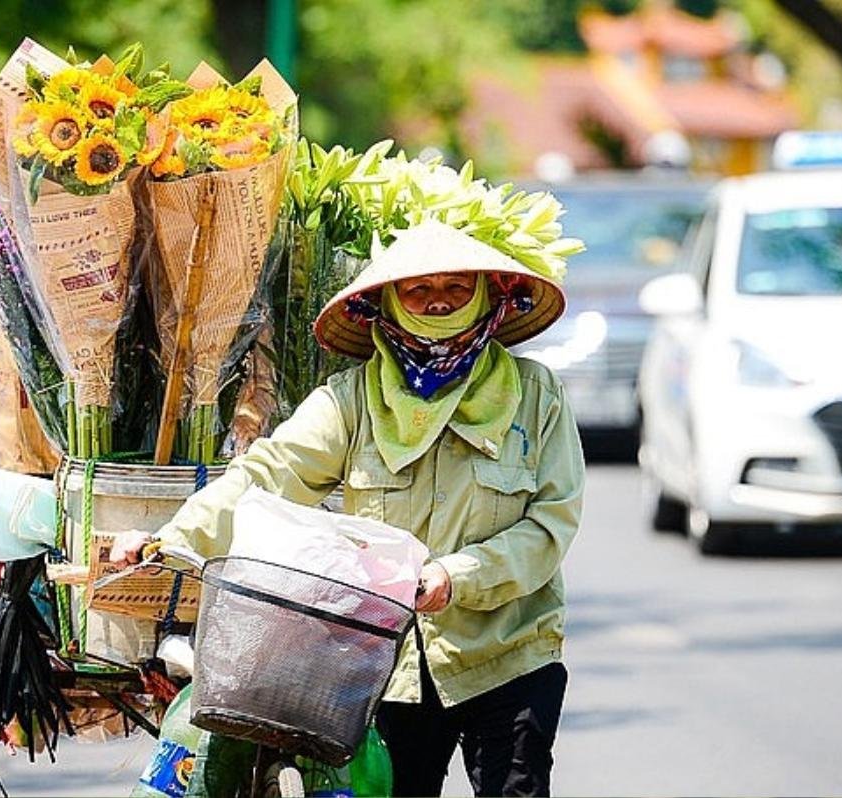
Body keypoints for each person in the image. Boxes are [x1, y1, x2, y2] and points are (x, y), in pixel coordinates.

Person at [113, 219, 585, 796]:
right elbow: (269, 476)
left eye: (456, 288)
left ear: (488, 295)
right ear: (389, 303)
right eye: (418, 290)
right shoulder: (351, 400)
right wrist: (175, 538)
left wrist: (455, 576)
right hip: (388, 667)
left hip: (510, 652)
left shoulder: (536, 395)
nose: (438, 302)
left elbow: (550, 524)